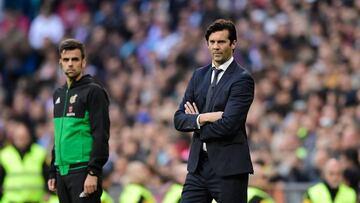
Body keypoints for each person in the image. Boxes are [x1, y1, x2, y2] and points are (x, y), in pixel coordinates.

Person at [174, 19, 255, 203]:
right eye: (212, 42)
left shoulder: (242, 79)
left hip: (229, 168)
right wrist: (205, 118)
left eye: (221, 42)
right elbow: (178, 119)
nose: (216, 47)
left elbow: (229, 125)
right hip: (198, 166)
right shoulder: (198, 75)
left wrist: (195, 122)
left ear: (233, 43)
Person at [48, 38, 110, 203]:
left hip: (83, 171)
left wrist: (93, 172)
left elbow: (101, 134)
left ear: (83, 62)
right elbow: (59, 136)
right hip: (62, 172)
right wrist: (53, 170)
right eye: (66, 60)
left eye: (75, 59)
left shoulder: (94, 91)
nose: (70, 64)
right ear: (60, 62)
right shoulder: (58, 94)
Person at [0, 121, 48, 203]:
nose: (22, 139)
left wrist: (48, 193)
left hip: (36, 200)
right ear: (14, 137)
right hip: (11, 201)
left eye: (24, 136)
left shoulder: (39, 153)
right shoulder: (4, 155)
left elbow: (48, 177)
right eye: (19, 137)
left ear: (29, 137)